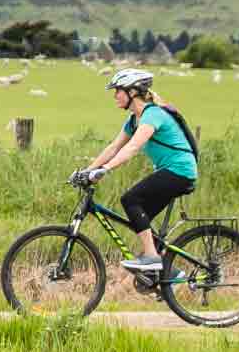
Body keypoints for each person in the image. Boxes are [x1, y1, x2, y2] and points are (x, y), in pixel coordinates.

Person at [73, 67, 197, 274]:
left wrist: (104, 170)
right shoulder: (133, 120)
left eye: (117, 91)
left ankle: (151, 258)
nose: (114, 96)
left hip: (180, 171)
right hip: (169, 172)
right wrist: (86, 171)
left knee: (130, 200)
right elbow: (113, 147)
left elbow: (132, 148)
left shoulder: (153, 114)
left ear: (132, 92)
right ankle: (165, 270)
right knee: (140, 218)